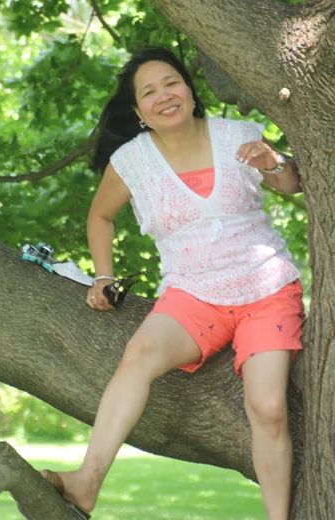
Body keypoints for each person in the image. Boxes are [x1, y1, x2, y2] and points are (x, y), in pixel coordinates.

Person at [42, 46, 305, 520]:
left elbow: (291, 184)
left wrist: (271, 159)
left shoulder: (237, 136)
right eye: (149, 91)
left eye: (172, 83)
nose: (164, 95)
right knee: (138, 355)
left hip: (267, 289)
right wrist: (102, 276)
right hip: (192, 294)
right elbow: (100, 217)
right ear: (140, 112)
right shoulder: (132, 162)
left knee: (268, 408)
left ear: (189, 89)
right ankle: (86, 483)